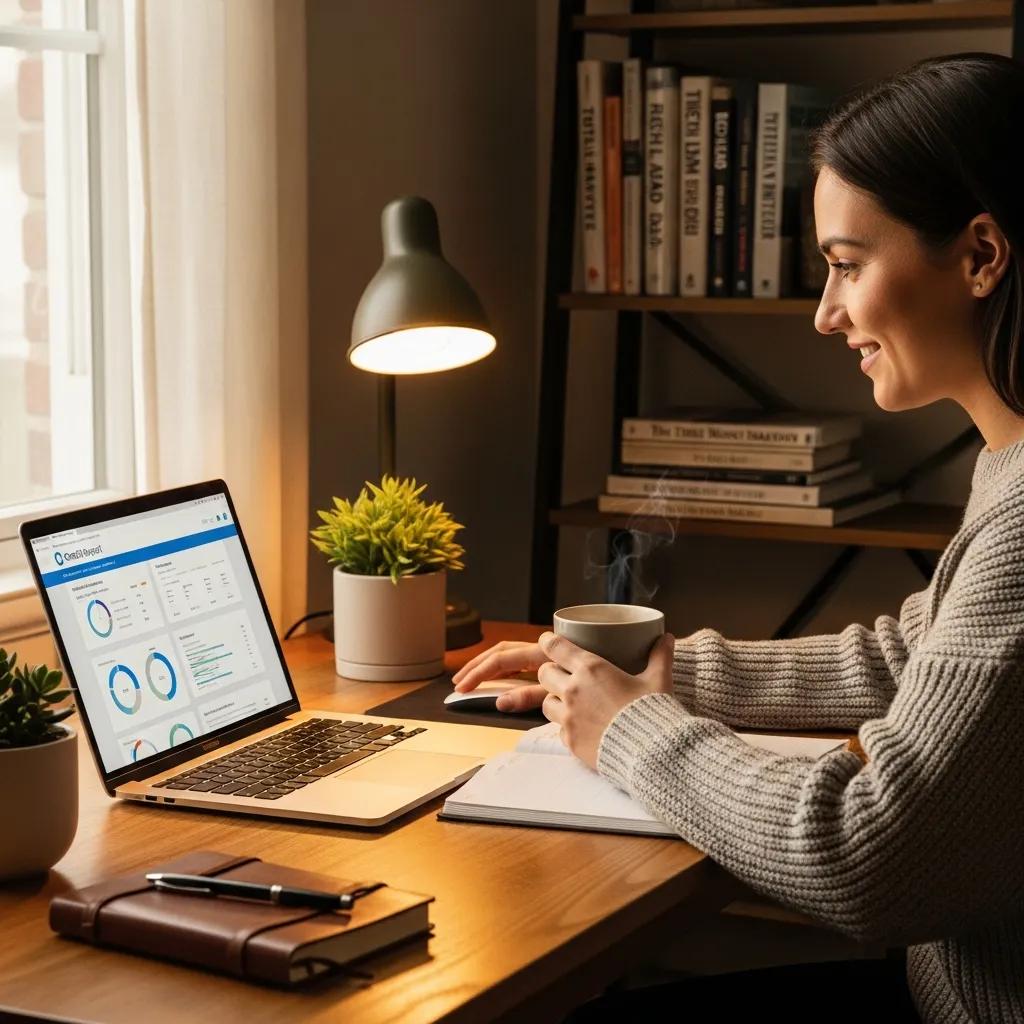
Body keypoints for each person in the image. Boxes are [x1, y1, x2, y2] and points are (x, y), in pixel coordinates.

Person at [452, 53, 1024, 1023]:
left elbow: (862, 854)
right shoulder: (1008, 461)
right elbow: (916, 657)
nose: (824, 311)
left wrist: (631, 729)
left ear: (979, 256)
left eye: (846, 265)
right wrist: (660, 674)